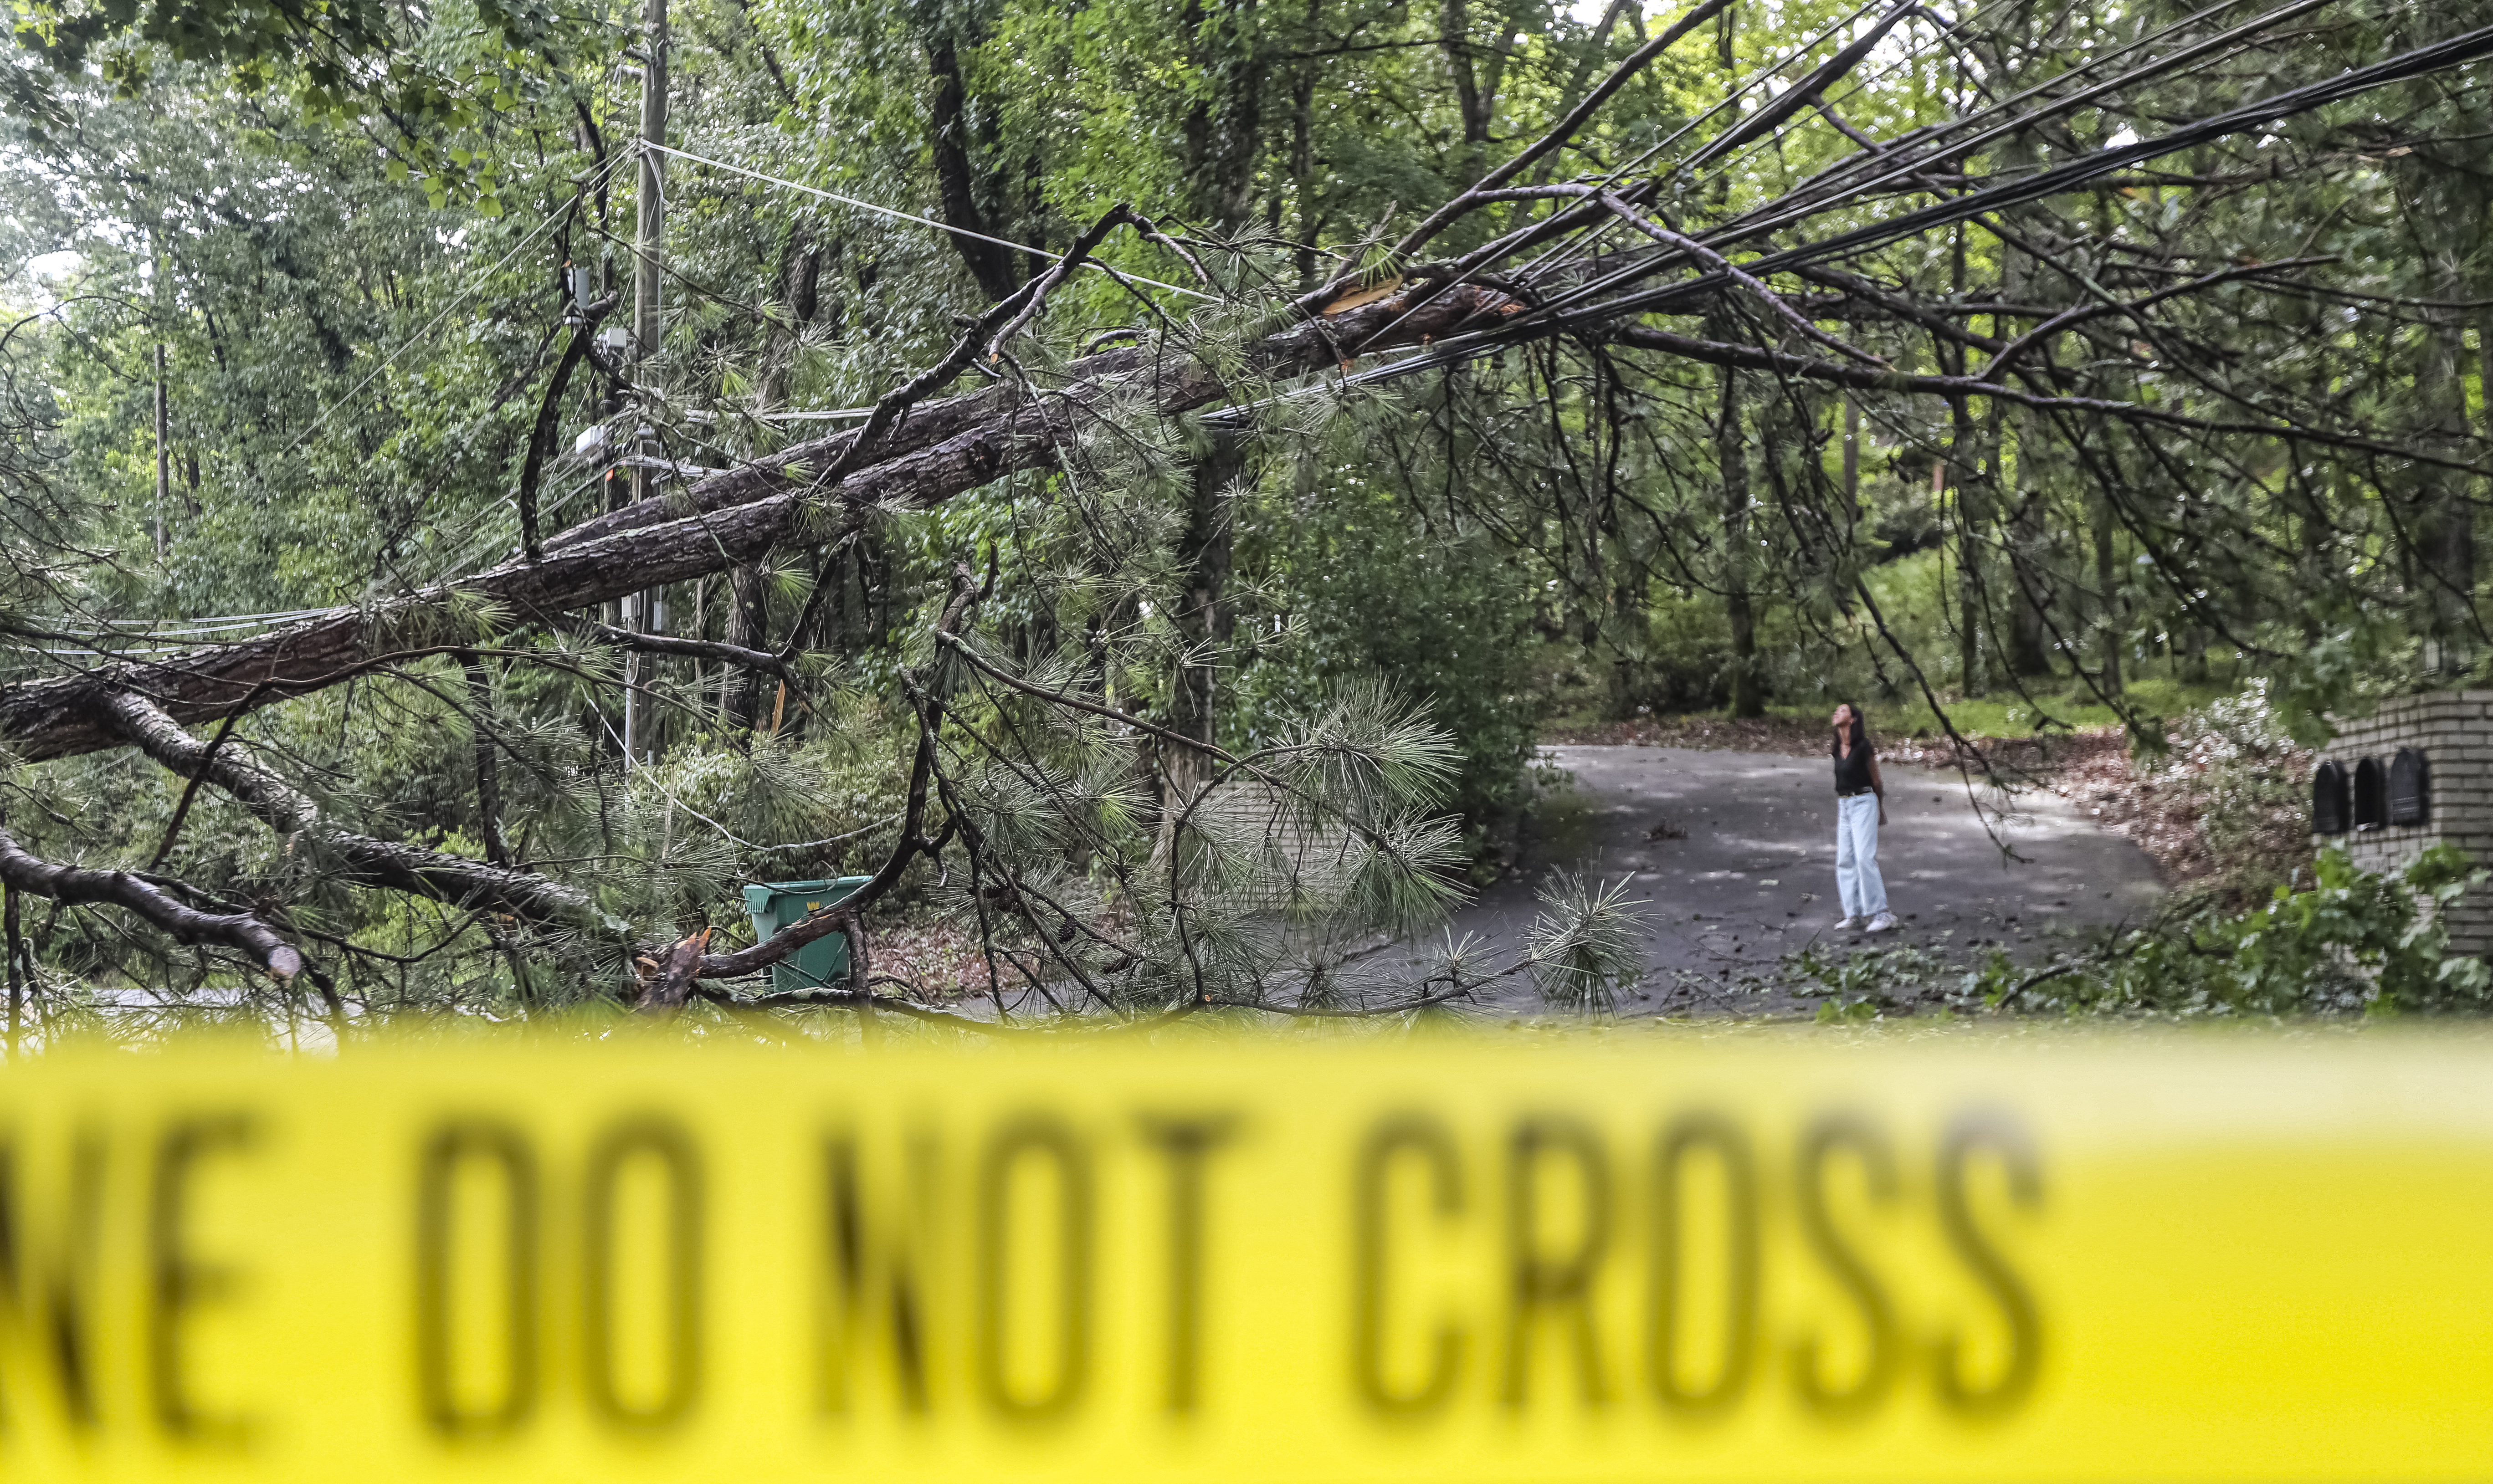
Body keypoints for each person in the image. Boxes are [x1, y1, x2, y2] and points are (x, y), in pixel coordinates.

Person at [1830, 702, 1895, 933]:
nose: (1837, 713)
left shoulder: (1864, 746)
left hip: (1864, 801)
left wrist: (1880, 807)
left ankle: (1882, 913)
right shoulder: (1837, 748)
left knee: (1864, 857)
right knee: (1845, 859)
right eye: (1837, 710)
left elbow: (1876, 780)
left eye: (1843, 710)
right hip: (1844, 804)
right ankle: (1854, 913)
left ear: (1854, 719)